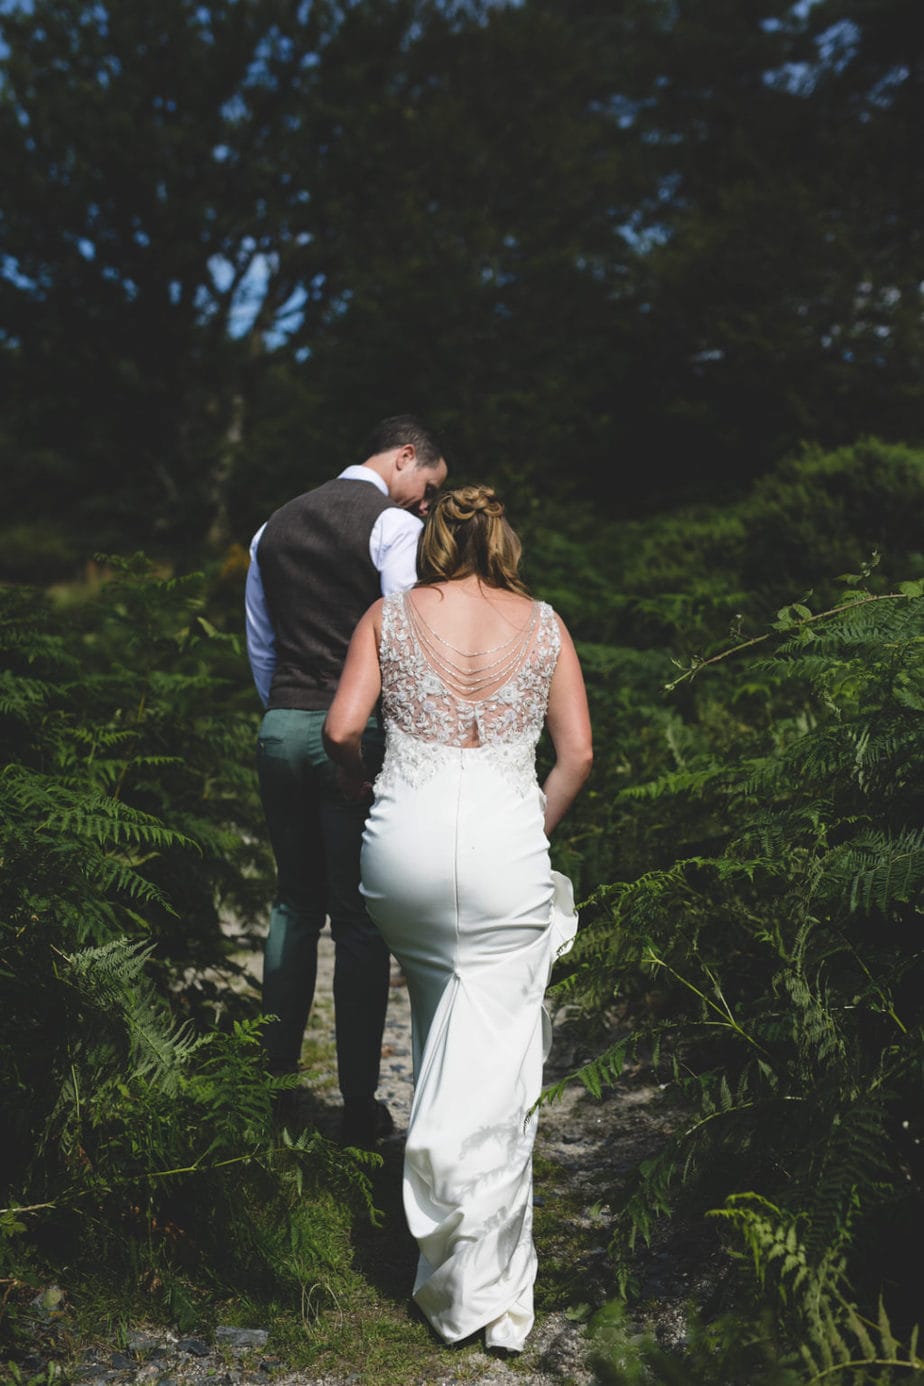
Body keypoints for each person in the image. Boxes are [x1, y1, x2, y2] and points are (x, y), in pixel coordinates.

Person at [322, 485, 593, 1350]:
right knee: (501, 1048)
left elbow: (340, 729)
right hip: (504, 844)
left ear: (437, 539)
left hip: (403, 840)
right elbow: (578, 755)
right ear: (504, 538)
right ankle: (481, 1285)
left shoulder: (387, 615)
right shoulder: (545, 623)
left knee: (446, 1015)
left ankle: (442, 1211)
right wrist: (529, 825)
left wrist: (366, 792)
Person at [244, 414, 449, 1150]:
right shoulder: (392, 530)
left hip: (280, 725)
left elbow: (261, 647)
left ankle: (272, 1090)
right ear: (403, 457)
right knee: (357, 920)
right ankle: (359, 1105)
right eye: (428, 487)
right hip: (349, 737)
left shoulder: (273, 527)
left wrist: (284, 716)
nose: (426, 504)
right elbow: (401, 642)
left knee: (293, 906)